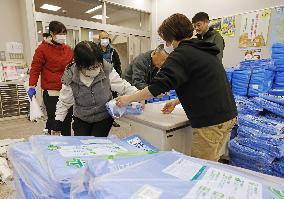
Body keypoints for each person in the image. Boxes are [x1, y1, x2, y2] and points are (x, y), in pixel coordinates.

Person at [116, 13, 237, 162]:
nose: (168, 44)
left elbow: (157, 87)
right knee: (213, 162)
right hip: (228, 115)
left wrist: (128, 98)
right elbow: (202, 84)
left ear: (172, 38)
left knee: (202, 167)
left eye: (167, 40)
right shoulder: (204, 49)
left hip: (211, 121)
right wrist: (176, 102)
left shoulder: (181, 54)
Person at [52, 41, 138, 137]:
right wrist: (58, 122)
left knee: (96, 143)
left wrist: (138, 95)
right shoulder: (70, 77)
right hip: (82, 117)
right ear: (80, 66)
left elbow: (123, 86)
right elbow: (64, 102)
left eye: (98, 65)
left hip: (103, 117)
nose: (96, 69)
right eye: (91, 68)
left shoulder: (106, 69)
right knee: (82, 143)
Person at [28, 21, 73, 136]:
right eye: (59, 33)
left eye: (64, 33)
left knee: (67, 120)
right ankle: (53, 147)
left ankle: (66, 143)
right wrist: (32, 85)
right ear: (52, 33)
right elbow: (35, 68)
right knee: (54, 121)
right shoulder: (42, 49)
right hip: (52, 92)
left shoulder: (68, 49)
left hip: (67, 91)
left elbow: (73, 67)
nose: (62, 36)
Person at [98, 30, 122, 127]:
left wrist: (118, 77)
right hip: (99, 79)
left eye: (107, 38)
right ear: (99, 39)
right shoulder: (95, 50)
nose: (105, 40)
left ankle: (112, 119)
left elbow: (118, 65)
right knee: (101, 100)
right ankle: (100, 119)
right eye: (103, 38)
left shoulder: (113, 51)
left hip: (111, 78)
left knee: (112, 100)